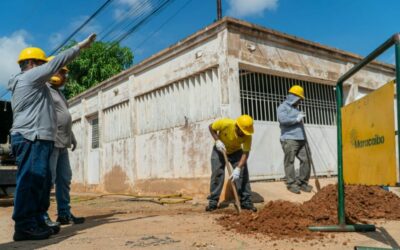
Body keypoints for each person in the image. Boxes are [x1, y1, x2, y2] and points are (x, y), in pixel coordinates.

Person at [8, 34, 96, 241]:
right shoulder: (29, 78)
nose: (45, 68)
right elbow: (58, 61)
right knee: (30, 182)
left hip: (40, 138)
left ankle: (37, 220)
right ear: (30, 64)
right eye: (40, 64)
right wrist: (79, 47)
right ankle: (24, 226)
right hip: (31, 137)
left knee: (40, 182)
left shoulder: (40, 87)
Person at [44, 56, 84, 225]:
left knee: (64, 178)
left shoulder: (59, 92)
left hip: (63, 143)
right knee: (48, 179)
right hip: (52, 142)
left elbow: (64, 117)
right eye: (62, 72)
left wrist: (72, 136)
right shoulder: (43, 89)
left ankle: (64, 213)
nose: (65, 77)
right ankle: (42, 215)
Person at [206, 114, 257, 212]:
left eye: (245, 132)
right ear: (237, 126)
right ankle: (213, 202)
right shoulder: (226, 123)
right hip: (219, 149)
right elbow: (210, 127)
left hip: (236, 151)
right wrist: (217, 140)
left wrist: (238, 168)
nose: (244, 134)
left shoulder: (247, 136)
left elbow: (245, 153)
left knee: (242, 173)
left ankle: (246, 202)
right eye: (242, 131)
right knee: (217, 173)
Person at [277, 85, 313, 194]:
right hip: (289, 138)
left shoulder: (296, 109)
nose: (300, 101)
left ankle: (302, 182)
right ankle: (291, 184)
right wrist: (296, 119)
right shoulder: (282, 107)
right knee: (290, 161)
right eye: (299, 99)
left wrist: (299, 117)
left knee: (307, 159)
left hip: (302, 139)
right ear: (294, 96)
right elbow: (282, 120)